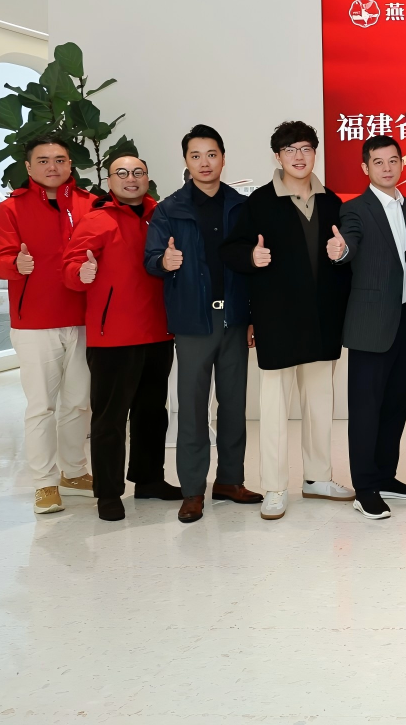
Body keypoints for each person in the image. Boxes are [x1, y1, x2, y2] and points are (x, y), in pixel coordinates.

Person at [220, 122, 353, 521]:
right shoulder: (259, 202)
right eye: (290, 149)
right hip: (277, 319)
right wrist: (252, 257)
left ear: (315, 153)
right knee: (275, 408)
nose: (299, 156)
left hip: (323, 318)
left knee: (320, 404)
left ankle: (317, 478)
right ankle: (275, 487)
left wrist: (343, 252)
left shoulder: (332, 202)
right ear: (277, 156)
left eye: (306, 148)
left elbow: (347, 258)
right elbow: (231, 250)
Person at [144, 126, 263, 524]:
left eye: (211, 154)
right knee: (193, 408)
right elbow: (151, 259)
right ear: (186, 161)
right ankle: (192, 489)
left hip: (234, 317)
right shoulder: (169, 209)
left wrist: (252, 316)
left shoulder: (241, 206)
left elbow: (252, 265)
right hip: (194, 320)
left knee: (234, 405)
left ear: (223, 158)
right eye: (195, 156)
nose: (204, 162)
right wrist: (164, 262)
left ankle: (230, 480)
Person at [63, 153, 177, 521]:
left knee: (152, 413)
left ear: (147, 177)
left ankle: (149, 480)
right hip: (112, 336)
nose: (131, 178)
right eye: (122, 173)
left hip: (158, 331)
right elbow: (70, 264)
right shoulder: (96, 219)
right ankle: (109, 493)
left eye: (138, 172)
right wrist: (81, 272)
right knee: (110, 419)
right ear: (110, 180)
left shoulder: (161, 214)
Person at [0, 134, 99, 514]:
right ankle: (44, 483)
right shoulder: (12, 208)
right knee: (41, 406)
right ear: (28, 166)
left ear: (70, 164)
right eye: (43, 160)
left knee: (78, 403)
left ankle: (74, 472)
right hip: (35, 323)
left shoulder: (90, 204)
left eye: (60, 160)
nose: (52, 167)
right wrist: (14, 264)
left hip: (84, 319)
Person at [335, 135, 406, 519]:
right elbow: (349, 244)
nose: (387, 168)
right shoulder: (355, 209)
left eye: (393, 161)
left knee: (395, 406)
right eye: (378, 162)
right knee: (366, 410)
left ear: (402, 164)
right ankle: (365, 488)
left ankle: (386, 476)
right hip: (372, 326)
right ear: (365, 168)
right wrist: (341, 250)